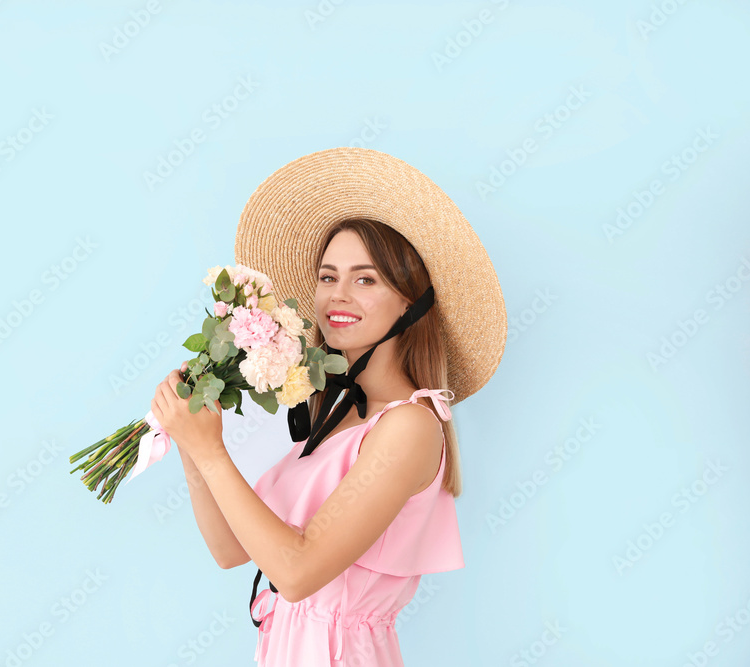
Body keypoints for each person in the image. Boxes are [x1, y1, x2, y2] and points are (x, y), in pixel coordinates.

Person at [151, 147, 507, 665]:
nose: (338, 295)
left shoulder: (409, 426)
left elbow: (296, 574)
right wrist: (193, 438)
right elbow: (232, 549)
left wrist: (210, 454)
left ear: (412, 301)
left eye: (366, 279)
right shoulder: (331, 420)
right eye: (327, 276)